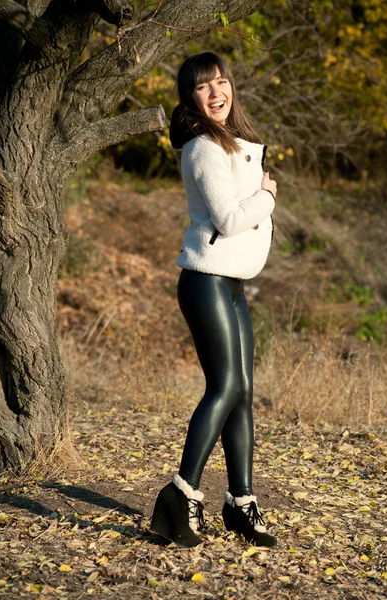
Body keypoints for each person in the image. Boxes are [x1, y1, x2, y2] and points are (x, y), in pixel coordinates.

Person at [150, 52, 277, 548]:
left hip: (231, 283)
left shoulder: (232, 143)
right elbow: (227, 219)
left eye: (222, 82)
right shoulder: (203, 147)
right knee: (224, 387)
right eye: (204, 87)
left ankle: (241, 503)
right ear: (191, 98)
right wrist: (267, 195)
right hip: (206, 280)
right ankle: (180, 495)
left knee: (243, 391)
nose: (216, 92)